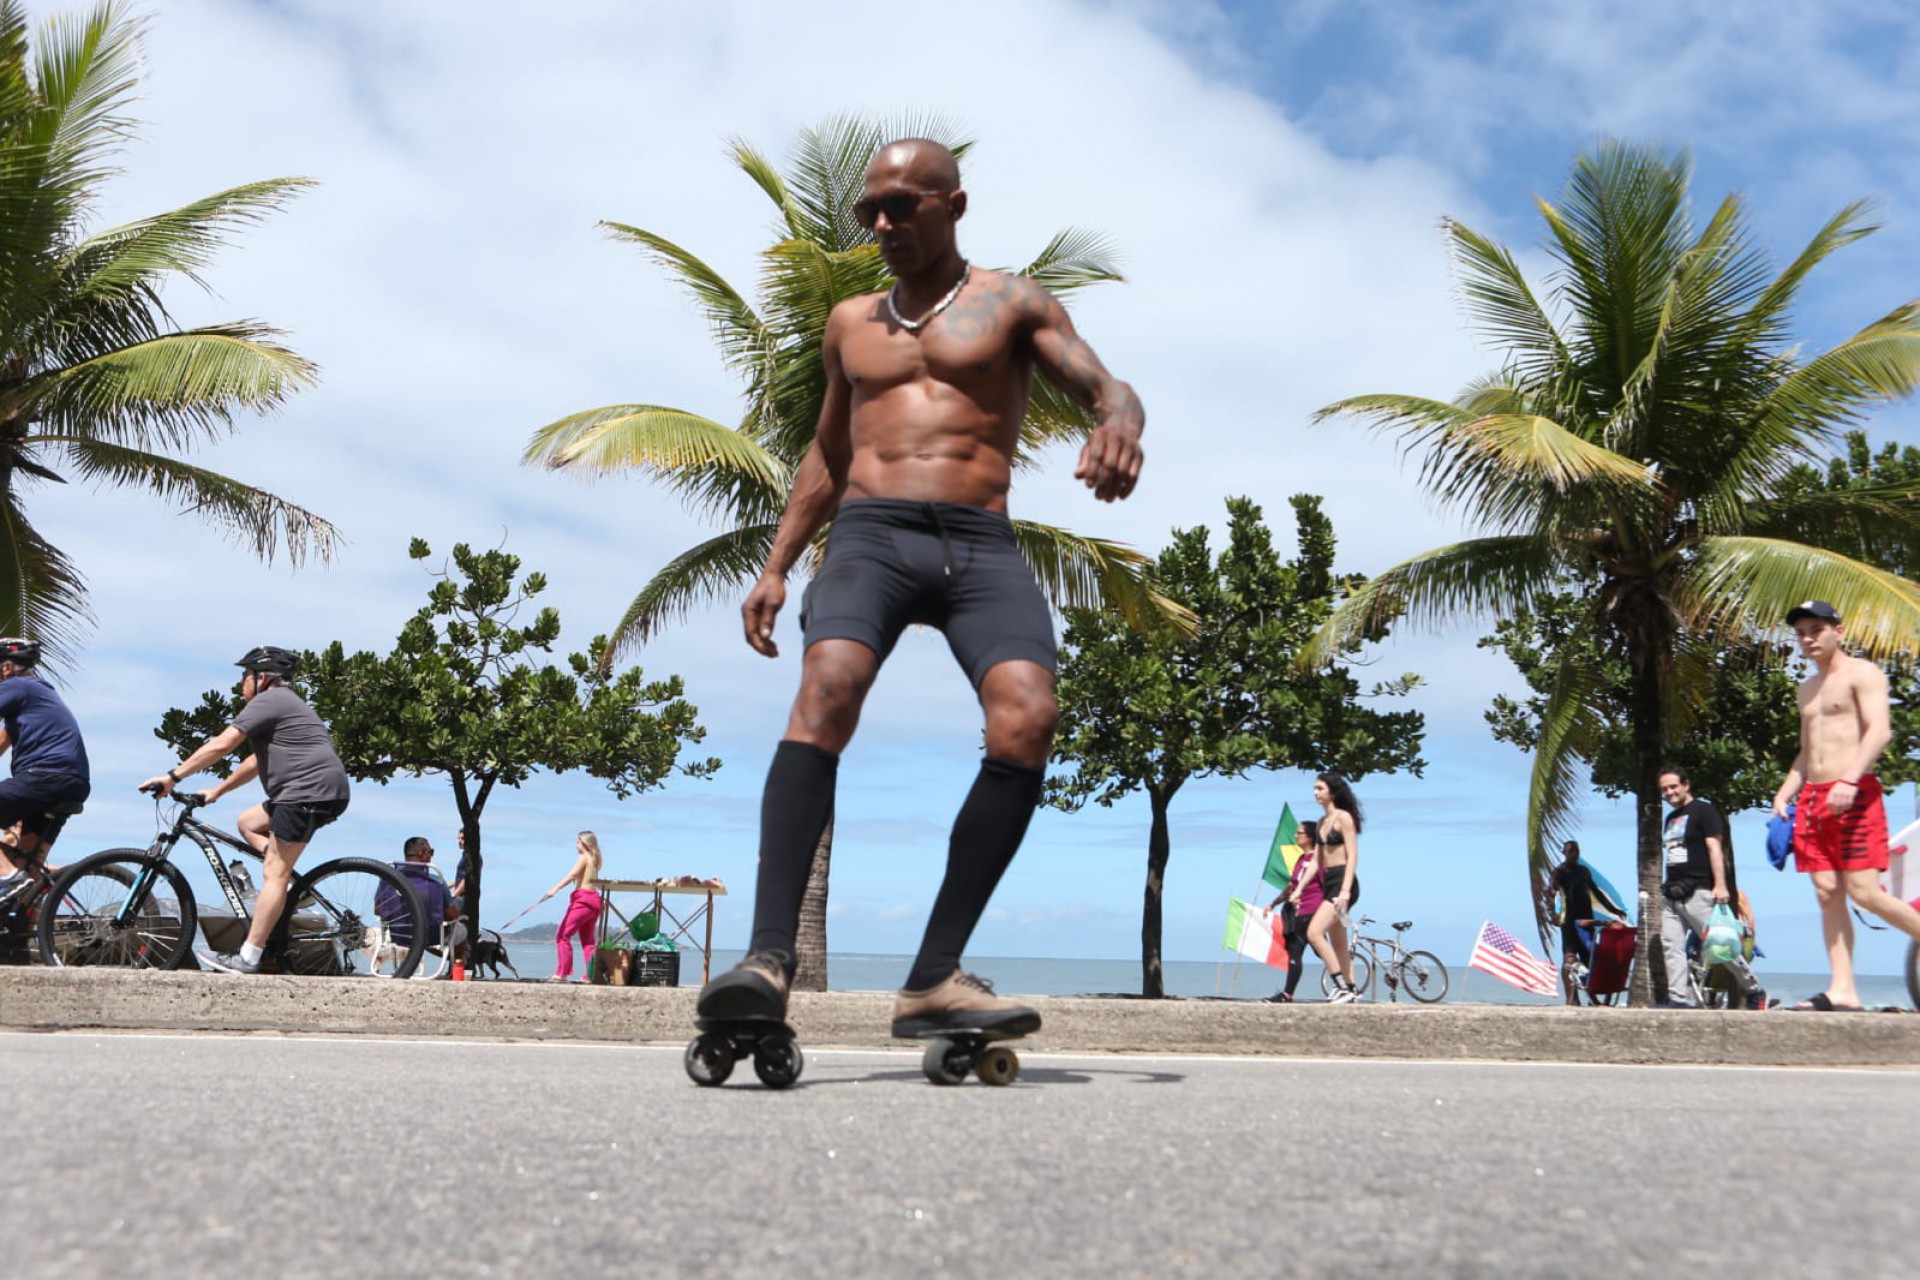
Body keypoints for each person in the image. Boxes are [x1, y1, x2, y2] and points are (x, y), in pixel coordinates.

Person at [695, 137, 1144, 1038]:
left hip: (981, 542)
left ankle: (935, 975)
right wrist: (778, 564)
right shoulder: (850, 323)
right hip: (872, 536)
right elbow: (829, 452)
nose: (884, 224)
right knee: (826, 690)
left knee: (1028, 717)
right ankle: (767, 960)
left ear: (955, 205)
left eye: (903, 205)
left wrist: (1121, 422)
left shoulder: (1014, 302)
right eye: (871, 210)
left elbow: (1106, 386)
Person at [141, 646, 351, 975]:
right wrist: (218, 791)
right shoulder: (286, 704)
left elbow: (222, 744)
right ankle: (286, 884)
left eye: (244, 676)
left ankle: (249, 957)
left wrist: (173, 776)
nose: (241, 684)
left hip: (305, 792)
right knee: (248, 822)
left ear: (262, 677)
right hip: (316, 791)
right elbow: (254, 762)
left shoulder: (268, 700)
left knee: (273, 875)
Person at [1771, 600, 1920, 1011]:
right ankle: (1843, 990)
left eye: (1816, 628)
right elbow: (1806, 752)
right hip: (1815, 799)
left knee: (1865, 892)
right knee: (1826, 892)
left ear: (1838, 630)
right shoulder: (1807, 689)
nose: (1807, 638)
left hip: (1854, 793)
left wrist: (1851, 778)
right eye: (1801, 631)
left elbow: (1880, 732)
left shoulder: (1862, 673)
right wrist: (1785, 792)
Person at [1657, 766, 1764, 1009]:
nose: (1669, 792)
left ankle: (1753, 989)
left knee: (1720, 944)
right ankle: (1677, 998)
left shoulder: (1703, 811)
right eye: (1664, 789)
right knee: (1671, 946)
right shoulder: (1670, 819)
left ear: (1685, 785)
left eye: (1673, 786)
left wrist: (1720, 885)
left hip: (1700, 891)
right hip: (1672, 893)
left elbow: (1715, 849)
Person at [0, 638, 91, 892]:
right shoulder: (36, 696)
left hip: (45, 777)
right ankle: (32, 927)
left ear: (6, 668)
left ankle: (6, 875)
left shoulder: (16, 686)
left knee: (13, 875)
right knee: (28, 866)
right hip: (71, 782)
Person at [1304, 772, 1364, 1003]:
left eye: (1320, 788)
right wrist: (1298, 890)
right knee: (1338, 940)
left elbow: (1353, 856)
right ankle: (1352, 988)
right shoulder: (1320, 823)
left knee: (1314, 933)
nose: (1315, 793)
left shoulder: (1344, 818)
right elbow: (1316, 861)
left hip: (1343, 882)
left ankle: (1342, 987)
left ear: (1332, 791)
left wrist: (1345, 892)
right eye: (1315, 788)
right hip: (1328, 881)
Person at [1544, 840, 1628, 1004]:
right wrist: (1552, 914)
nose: (1574, 854)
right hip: (1568, 919)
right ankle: (1571, 997)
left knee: (1588, 957)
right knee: (1569, 957)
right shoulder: (1558, 872)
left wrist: (1613, 910)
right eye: (1570, 851)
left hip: (1585, 917)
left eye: (1576, 851)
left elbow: (1597, 893)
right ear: (1564, 853)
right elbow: (1551, 894)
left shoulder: (1584, 871)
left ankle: (1593, 996)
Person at [1266, 819, 1322, 1002]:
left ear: (1310, 837)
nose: (1295, 836)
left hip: (1312, 910)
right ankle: (1287, 994)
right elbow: (1292, 885)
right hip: (1297, 911)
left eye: (1300, 833)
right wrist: (1273, 903)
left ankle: (1345, 982)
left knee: (1316, 949)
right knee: (1297, 950)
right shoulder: (1301, 859)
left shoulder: (1319, 859)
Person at [541, 831, 604, 982]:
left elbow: (572, 875)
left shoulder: (584, 857)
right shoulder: (595, 859)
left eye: (577, 842)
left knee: (562, 935)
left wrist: (555, 888)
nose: (576, 845)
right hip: (594, 902)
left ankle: (562, 973)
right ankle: (591, 974)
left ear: (584, 843)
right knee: (588, 941)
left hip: (582, 902)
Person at [383, 835, 459, 957]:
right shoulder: (435, 881)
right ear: (422, 853)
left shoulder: (390, 880)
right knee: (462, 930)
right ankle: (457, 968)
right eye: (431, 852)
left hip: (398, 935)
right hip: (430, 936)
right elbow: (452, 914)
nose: (432, 855)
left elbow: (378, 909)